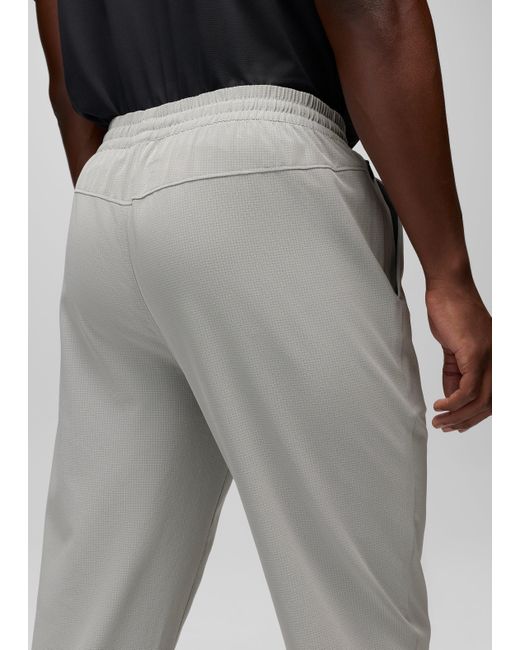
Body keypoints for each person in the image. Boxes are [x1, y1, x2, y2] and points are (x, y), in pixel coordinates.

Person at [32, 1, 491, 649]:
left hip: (108, 192)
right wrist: (449, 275)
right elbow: (373, 12)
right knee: (355, 623)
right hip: (266, 170)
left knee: (92, 617)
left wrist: (132, 199)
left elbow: (62, 65)